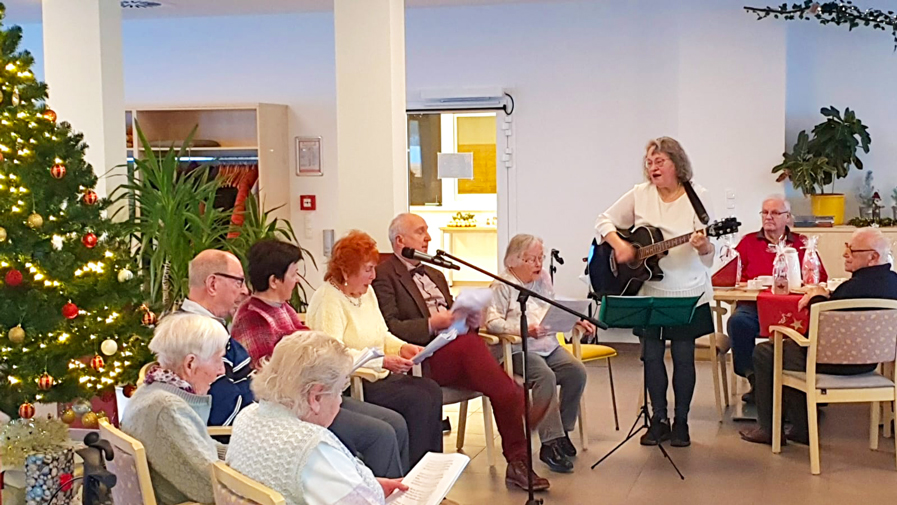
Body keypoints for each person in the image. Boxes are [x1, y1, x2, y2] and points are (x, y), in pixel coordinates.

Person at [373, 213, 551, 489]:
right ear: (400, 240)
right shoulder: (384, 276)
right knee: (482, 359)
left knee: (482, 361)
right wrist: (433, 323)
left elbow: (454, 311)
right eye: (421, 232)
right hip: (422, 355)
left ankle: (519, 464)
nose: (428, 238)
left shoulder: (435, 273)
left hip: (455, 349)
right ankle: (518, 403)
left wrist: (470, 317)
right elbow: (389, 326)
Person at [231, 239, 409, 478]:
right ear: (274, 281)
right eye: (293, 274)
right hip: (297, 408)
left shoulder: (284, 309)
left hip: (318, 397)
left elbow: (314, 349)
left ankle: (404, 493)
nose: (297, 280)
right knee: (381, 434)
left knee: (396, 422)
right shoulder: (254, 317)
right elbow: (276, 376)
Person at [594, 136, 715, 447]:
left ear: (677, 163)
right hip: (649, 287)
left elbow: (712, 253)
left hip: (688, 290)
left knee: (684, 357)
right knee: (651, 356)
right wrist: (621, 245)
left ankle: (682, 423)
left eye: (659, 161)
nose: (652, 168)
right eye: (649, 162)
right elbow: (603, 220)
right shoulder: (640, 194)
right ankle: (658, 419)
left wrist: (704, 246)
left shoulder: (697, 197)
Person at [740, 228, 897, 445]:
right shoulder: (893, 284)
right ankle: (800, 427)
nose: (845, 254)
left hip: (829, 363)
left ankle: (770, 429)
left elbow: (821, 322)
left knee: (768, 351)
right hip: (869, 363)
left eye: (852, 250)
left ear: (873, 257)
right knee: (793, 356)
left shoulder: (851, 289)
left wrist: (816, 298)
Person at [306, 230, 443, 467]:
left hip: (378, 376)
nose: (373, 275)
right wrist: (382, 362)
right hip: (353, 383)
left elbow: (383, 335)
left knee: (431, 390)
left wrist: (403, 348)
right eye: (368, 269)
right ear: (347, 271)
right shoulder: (329, 298)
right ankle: (412, 475)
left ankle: (429, 473)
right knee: (418, 399)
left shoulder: (366, 293)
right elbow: (332, 356)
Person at [227, 331, 408, 505]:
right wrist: (366, 493)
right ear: (315, 396)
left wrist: (367, 487)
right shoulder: (312, 448)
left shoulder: (246, 417)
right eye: (338, 392)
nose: (339, 402)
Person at [485, 234, 589, 474]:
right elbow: (491, 322)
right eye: (531, 259)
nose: (538, 264)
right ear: (512, 261)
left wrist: (577, 318)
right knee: (545, 376)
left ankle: (562, 432)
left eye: (540, 258)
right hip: (516, 349)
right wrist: (523, 330)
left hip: (547, 345)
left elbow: (551, 305)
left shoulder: (542, 278)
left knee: (576, 372)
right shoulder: (502, 285)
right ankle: (549, 443)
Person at [727, 197, 828, 403]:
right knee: (738, 323)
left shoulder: (802, 244)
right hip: (754, 307)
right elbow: (732, 276)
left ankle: (802, 388)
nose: (768, 217)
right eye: (765, 213)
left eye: (774, 213)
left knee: (817, 326)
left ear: (788, 218)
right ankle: (755, 379)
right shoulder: (748, 242)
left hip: (794, 309)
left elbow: (820, 279)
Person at [121, 313, 229, 505]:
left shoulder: (150, 390)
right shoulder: (167, 409)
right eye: (219, 360)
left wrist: (246, 454)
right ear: (190, 364)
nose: (221, 370)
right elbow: (211, 488)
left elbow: (200, 446)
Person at [178, 249, 252, 427]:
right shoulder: (199, 338)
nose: (245, 291)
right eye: (238, 282)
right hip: (231, 441)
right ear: (212, 284)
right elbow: (226, 414)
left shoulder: (187, 325)